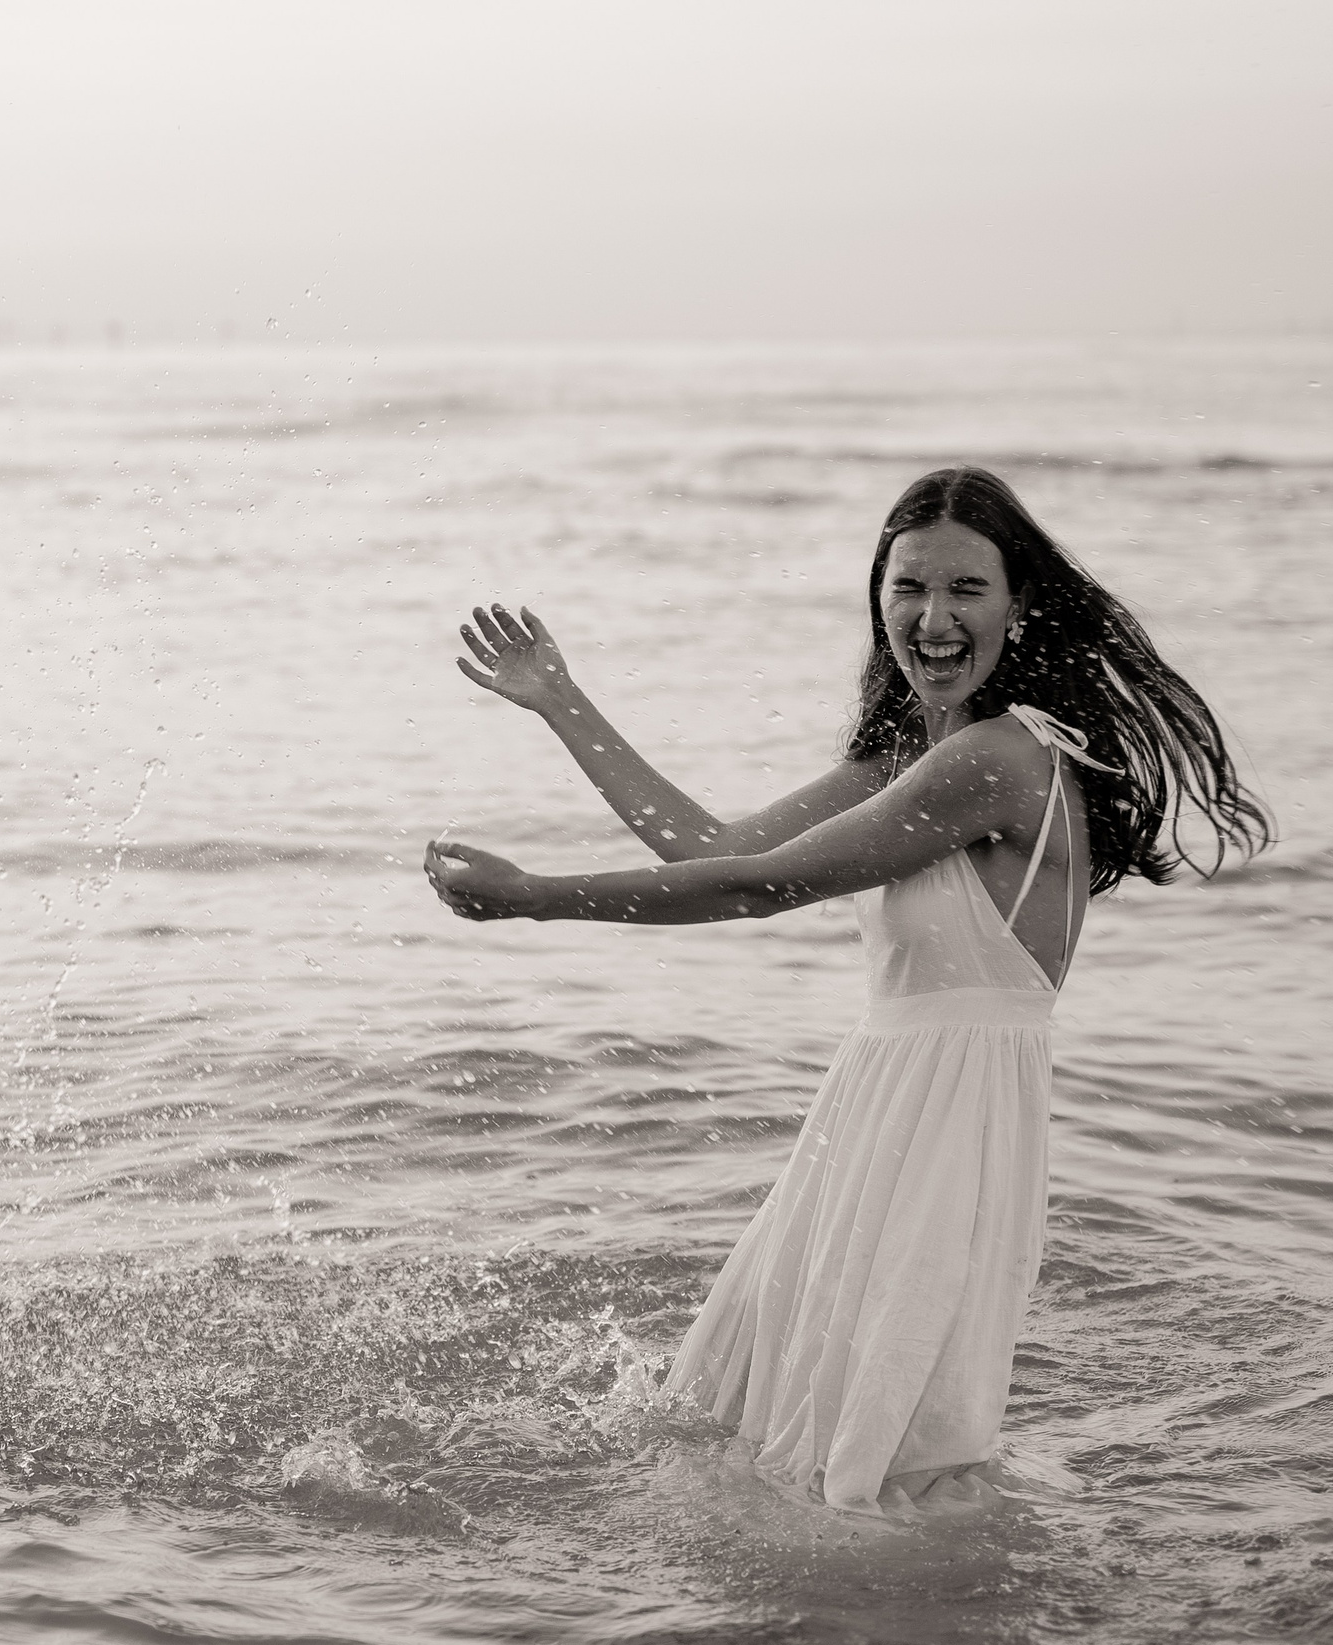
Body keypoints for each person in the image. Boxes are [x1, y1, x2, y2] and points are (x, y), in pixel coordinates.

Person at [425, 466, 1269, 1514]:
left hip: (947, 1120)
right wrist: (561, 701)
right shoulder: (909, 761)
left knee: (885, 1456)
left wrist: (534, 898)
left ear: (1020, 605)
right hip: (876, 1106)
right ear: (878, 600)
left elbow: (755, 886)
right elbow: (714, 844)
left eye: (966, 589)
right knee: (768, 1429)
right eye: (908, 587)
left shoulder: (1000, 760)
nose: (932, 616)